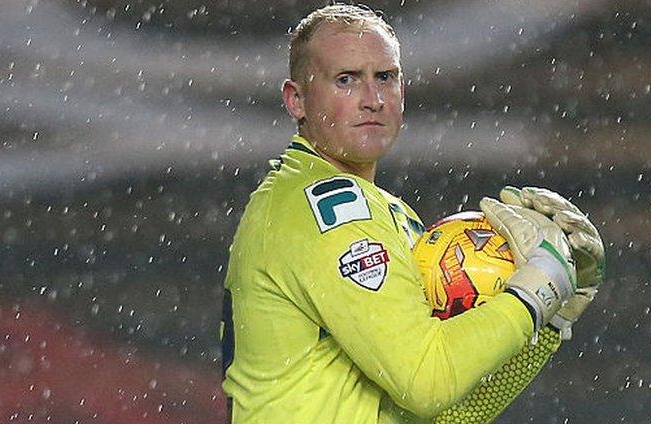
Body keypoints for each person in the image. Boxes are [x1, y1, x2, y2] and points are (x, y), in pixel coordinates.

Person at [220, 4, 604, 423]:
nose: (372, 100)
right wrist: (533, 293)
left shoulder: (387, 212)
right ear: (297, 101)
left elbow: (447, 414)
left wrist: (549, 321)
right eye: (346, 80)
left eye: (385, 77)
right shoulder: (327, 209)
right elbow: (427, 381)